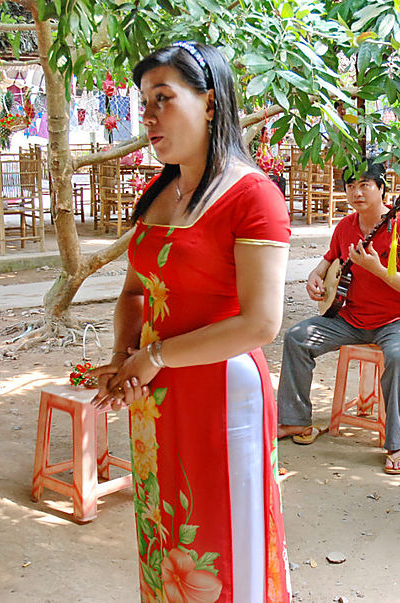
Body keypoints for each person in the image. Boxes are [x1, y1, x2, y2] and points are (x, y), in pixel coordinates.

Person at [89, 41, 291, 602]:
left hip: (222, 394)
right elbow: (135, 292)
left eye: (163, 99)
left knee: (224, 537)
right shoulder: (160, 194)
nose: (148, 116)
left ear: (209, 103)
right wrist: (121, 358)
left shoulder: (254, 198)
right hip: (155, 396)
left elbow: (259, 324)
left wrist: (151, 358)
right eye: (143, 102)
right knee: (165, 531)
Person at [277, 158, 400, 475]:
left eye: (365, 185)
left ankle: (395, 442)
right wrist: (314, 278)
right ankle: (295, 421)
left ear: (381, 188)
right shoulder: (345, 227)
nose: (357, 192)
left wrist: (379, 270)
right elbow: (327, 262)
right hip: (350, 319)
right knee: (297, 338)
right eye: (350, 186)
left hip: (399, 320)